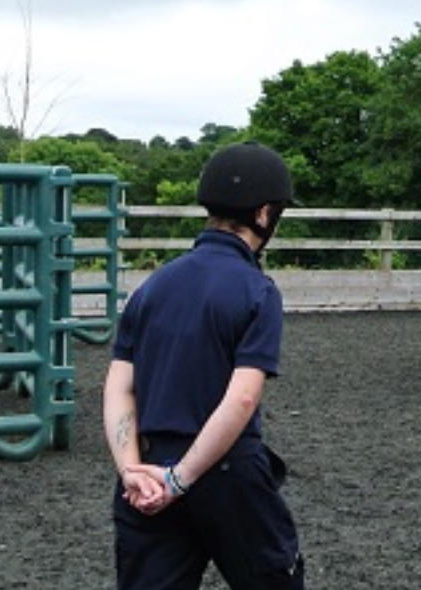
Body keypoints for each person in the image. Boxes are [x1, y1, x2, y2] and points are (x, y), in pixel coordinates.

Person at [103, 142, 306, 589]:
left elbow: (119, 387)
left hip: (149, 467)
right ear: (265, 214)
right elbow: (243, 397)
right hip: (225, 473)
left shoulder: (152, 287)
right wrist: (181, 479)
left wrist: (131, 471)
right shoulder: (257, 291)